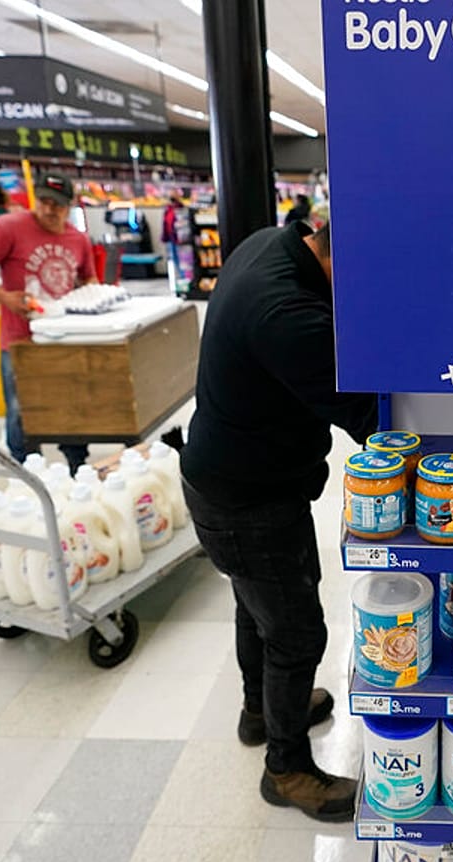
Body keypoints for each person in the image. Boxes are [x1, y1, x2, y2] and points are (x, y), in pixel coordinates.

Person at [181, 220, 377, 823]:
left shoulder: (271, 243)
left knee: (258, 608)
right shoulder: (289, 315)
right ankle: (287, 770)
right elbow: (373, 420)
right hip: (249, 502)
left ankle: (258, 714)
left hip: (223, 479)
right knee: (297, 635)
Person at [0, 173, 97, 469]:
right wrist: (4, 296)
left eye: (58, 205)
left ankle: (78, 463)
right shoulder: (9, 227)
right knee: (21, 407)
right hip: (18, 339)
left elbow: (88, 278)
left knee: (70, 402)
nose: (49, 209)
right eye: (44, 201)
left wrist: (90, 303)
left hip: (62, 338)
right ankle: (26, 468)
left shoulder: (77, 238)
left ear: (69, 206)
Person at [161, 193, 184, 279]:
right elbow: (165, 224)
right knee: (174, 258)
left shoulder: (180, 208)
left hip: (179, 238)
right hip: (171, 238)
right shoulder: (168, 209)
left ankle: (183, 276)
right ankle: (179, 277)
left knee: (181, 259)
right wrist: (164, 237)